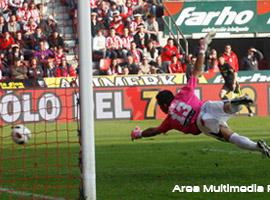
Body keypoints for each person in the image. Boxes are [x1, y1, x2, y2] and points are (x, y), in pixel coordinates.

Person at [131, 31, 270, 157]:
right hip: (207, 106)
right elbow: (197, 71)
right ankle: (236, 103)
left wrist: (139, 134)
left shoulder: (170, 120)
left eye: (160, 106)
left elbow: (154, 131)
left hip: (202, 122)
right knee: (226, 107)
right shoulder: (183, 93)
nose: (161, 109)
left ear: (165, 104)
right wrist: (202, 49)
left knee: (230, 135)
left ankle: (257, 147)